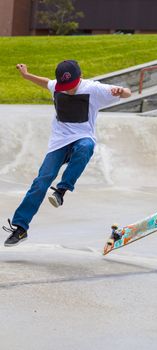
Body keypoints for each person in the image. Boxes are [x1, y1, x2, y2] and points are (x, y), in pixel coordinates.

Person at [2, 60, 131, 247]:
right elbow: (44, 82)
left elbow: (127, 92)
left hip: (81, 138)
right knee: (40, 182)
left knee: (86, 146)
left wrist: (121, 92)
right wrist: (26, 75)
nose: (68, 91)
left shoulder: (93, 89)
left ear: (80, 78)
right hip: (59, 143)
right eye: (65, 88)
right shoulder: (57, 86)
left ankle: (61, 190)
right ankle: (21, 228)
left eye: (72, 87)